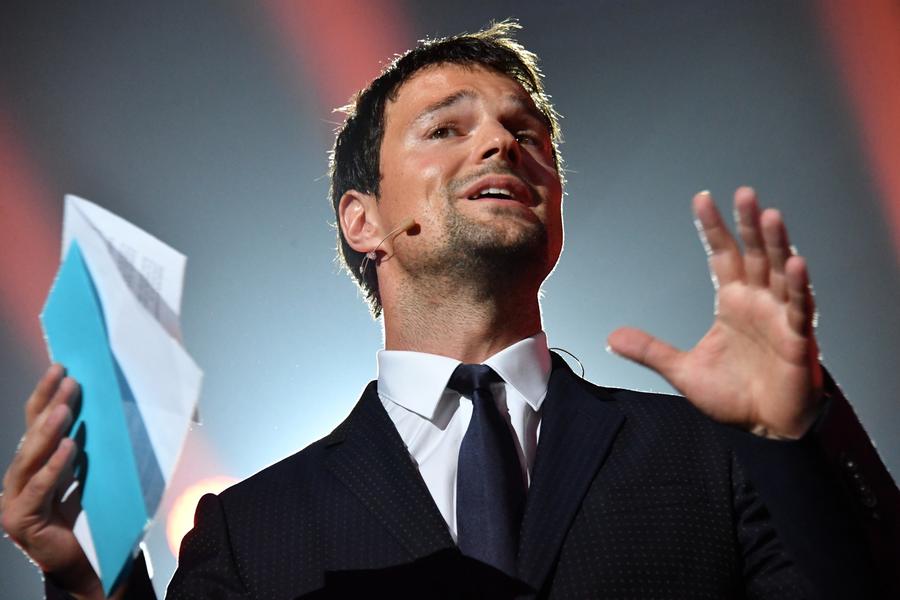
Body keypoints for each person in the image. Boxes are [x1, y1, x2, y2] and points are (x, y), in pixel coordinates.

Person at [2, 21, 897, 599]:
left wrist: (798, 436)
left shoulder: (714, 458)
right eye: (447, 128)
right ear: (363, 221)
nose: (503, 141)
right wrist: (84, 581)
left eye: (526, 131)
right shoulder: (251, 531)